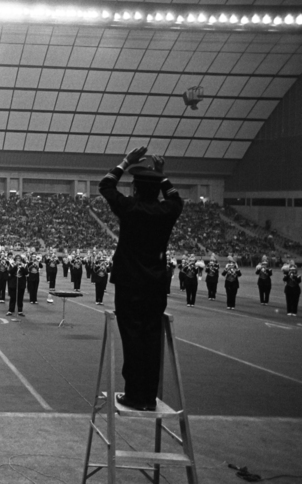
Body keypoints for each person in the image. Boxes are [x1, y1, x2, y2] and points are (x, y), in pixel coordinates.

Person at [99, 146, 183, 412]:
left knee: (132, 337)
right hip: (156, 283)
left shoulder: (130, 208)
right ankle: (148, 395)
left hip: (128, 283)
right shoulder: (166, 211)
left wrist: (125, 162)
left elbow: (106, 185)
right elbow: (175, 199)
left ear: (134, 190)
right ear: (157, 190)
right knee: (151, 336)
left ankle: (134, 394)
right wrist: (161, 175)